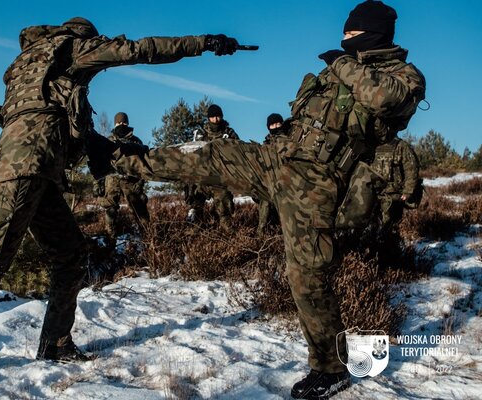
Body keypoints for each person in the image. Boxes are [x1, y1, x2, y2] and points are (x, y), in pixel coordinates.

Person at [112, 2, 425, 398]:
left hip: (316, 181)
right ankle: (121, 158)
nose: (344, 40)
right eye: (345, 35)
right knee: (211, 156)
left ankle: (331, 367)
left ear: (372, 34)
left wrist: (343, 63)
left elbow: (383, 99)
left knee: (307, 276)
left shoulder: (403, 76)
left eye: (350, 34)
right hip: (276, 159)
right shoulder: (336, 72)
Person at [0, 17, 240, 389]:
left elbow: (57, 117)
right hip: (27, 169)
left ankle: (55, 343)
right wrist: (204, 41)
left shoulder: (28, 62)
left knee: (70, 254)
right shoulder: (73, 49)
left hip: (37, 171)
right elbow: (141, 50)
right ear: (84, 36)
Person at [185, 104, 239, 231]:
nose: (216, 119)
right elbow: (191, 155)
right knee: (195, 209)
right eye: (213, 117)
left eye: (218, 116)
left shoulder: (229, 133)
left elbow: (238, 153)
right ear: (208, 118)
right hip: (202, 178)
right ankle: (193, 240)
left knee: (224, 212)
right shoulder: (200, 134)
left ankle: (228, 240)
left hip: (221, 178)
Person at [97, 112, 150, 240]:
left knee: (140, 210)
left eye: (124, 122)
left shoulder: (136, 141)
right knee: (110, 210)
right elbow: (99, 163)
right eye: (119, 122)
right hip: (112, 180)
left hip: (131, 180)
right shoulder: (108, 140)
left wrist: (141, 182)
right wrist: (97, 183)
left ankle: (148, 239)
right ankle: (110, 239)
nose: (122, 124)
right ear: (115, 123)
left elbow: (144, 163)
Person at [370, 135, 421, 236]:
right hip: (372, 192)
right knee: (372, 225)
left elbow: (411, 168)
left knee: (391, 225)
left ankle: (390, 246)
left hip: (393, 195)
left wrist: (408, 191)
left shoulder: (400, 145)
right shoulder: (371, 143)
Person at [255, 113, 285, 236]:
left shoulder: (289, 141)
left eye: (278, 123)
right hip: (269, 182)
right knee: (265, 202)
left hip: (286, 181)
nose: (276, 126)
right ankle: (261, 233)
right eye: (272, 124)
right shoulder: (265, 146)